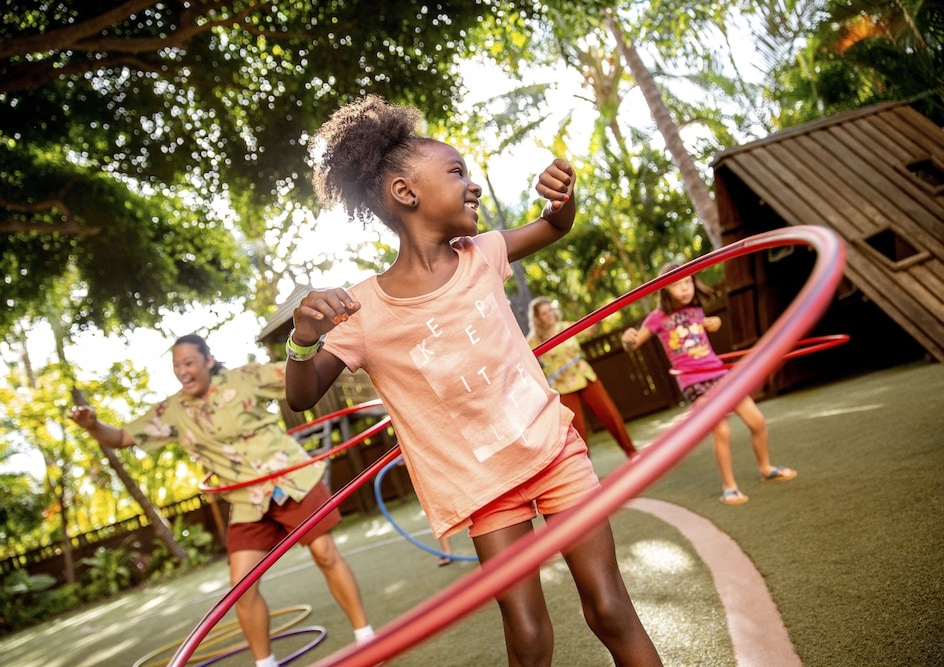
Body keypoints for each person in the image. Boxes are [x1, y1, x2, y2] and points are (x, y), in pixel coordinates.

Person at [284, 95, 661, 666]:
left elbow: (554, 226)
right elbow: (301, 395)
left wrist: (564, 199)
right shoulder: (362, 310)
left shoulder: (483, 253)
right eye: (456, 172)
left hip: (553, 451)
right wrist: (302, 339)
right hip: (482, 486)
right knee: (528, 632)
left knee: (609, 607)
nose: (473, 184)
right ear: (405, 193)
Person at [69, 334, 373, 667]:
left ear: (208, 361)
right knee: (240, 587)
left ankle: (366, 639)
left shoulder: (245, 378)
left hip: (290, 478)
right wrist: (93, 424)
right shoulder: (173, 410)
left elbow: (303, 376)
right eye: (176, 366)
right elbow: (123, 437)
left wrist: (346, 350)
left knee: (324, 553)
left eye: (189, 363)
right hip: (246, 501)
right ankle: (265, 664)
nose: (182, 371)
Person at [621, 262, 798, 505]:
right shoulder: (657, 318)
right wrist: (627, 339)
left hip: (718, 374)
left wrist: (715, 323)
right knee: (721, 430)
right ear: (665, 290)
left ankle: (766, 468)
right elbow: (633, 345)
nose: (684, 289)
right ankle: (729, 486)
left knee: (757, 420)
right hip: (694, 381)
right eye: (676, 285)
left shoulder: (696, 309)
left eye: (687, 282)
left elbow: (707, 328)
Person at [526, 296, 639, 459]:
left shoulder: (565, 326)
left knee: (610, 415)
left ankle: (632, 452)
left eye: (550, 310)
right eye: (544, 313)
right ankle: (587, 473)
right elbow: (524, 358)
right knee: (577, 430)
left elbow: (590, 330)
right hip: (563, 385)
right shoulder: (533, 341)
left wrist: (600, 313)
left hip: (584, 376)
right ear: (537, 318)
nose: (549, 315)